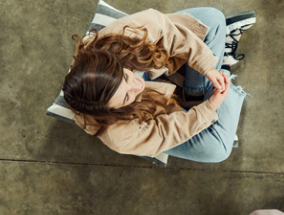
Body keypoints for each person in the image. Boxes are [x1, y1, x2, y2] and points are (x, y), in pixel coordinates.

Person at [62, 8, 253, 162]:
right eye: (127, 97)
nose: (138, 85)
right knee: (217, 149)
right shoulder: (117, 135)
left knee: (212, 18)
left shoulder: (115, 38)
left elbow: (166, 30)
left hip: (151, 65)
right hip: (148, 112)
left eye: (126, 77)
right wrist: (209, 108)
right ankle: (222, 70)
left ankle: (198, 92)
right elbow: (164, 133)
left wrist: (206, 67)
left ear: (113, 65)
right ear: (114, 112)